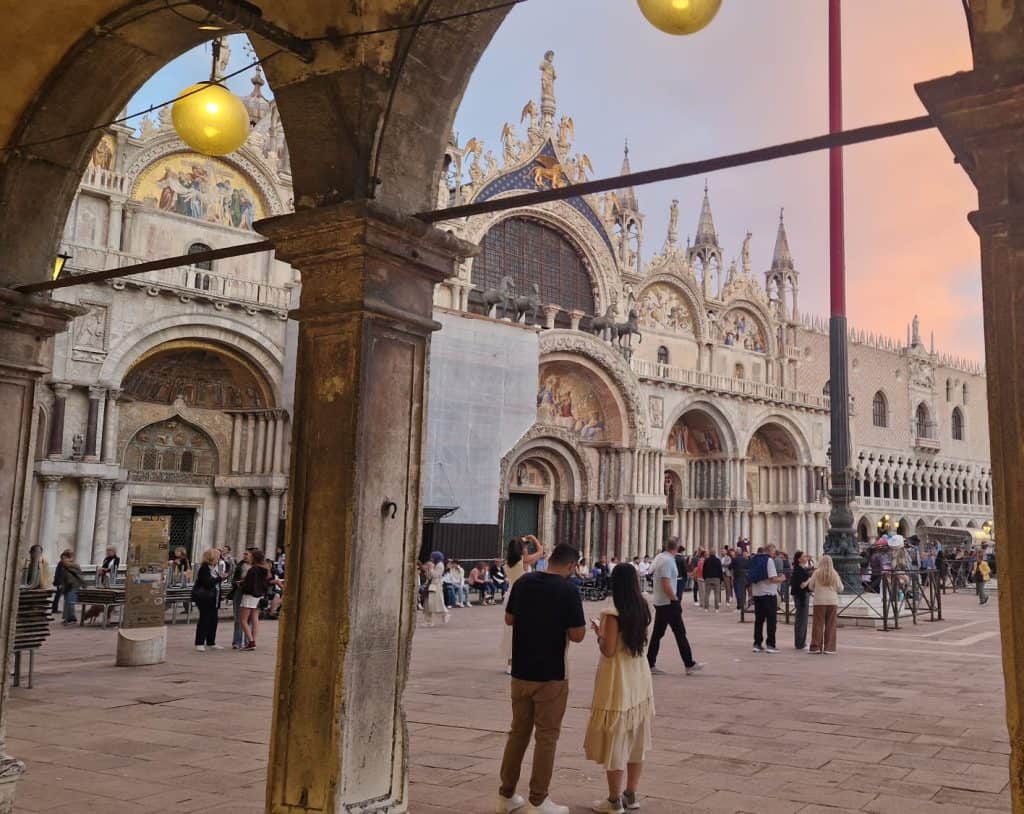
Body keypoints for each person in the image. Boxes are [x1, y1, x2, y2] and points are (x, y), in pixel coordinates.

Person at [497, 544, 587, 814]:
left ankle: (506, 794)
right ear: (571, 566)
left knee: (518, 733)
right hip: (551, 675)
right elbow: (577, 635)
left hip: (521, 672)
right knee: (546, 737)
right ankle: (538, 799)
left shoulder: (524, 582)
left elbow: (509, 619)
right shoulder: (568, 590)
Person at [584, 563, 654, 814]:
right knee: (636, 738)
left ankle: (613, 800)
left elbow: (609, 649)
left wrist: (597, 631)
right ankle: (631, 793)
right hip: (639, 675)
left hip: (618, 678)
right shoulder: (642, 606)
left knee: (617, 737)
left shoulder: (612, 612)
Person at [646, 538, 704, 677]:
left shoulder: (660, 557)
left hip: (660, 601)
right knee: (680, 632)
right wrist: (674, 598)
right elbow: (666, 582)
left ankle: (649, 662)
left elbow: (651, 571)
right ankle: (689, 664)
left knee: (658, 634)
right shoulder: (667, 561)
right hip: (668, 602)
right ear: (677, 547)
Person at [804, 554, 844, 653]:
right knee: (831, 625)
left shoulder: (816, 572)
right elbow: (840, 588)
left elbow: (810, 587)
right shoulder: (834, 573)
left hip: (819, 601)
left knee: (818, 625)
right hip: (832, 601)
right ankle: (829, 648)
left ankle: (816, 647)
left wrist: (817, 589)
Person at [750, 545, 786, 653]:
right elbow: (772, 578)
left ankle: (757, 643)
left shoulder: (754, 560)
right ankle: (770, 644)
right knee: (771, 621)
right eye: (774, 551)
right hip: (768, 594)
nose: (774, 554)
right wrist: (782, 578)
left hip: (757, 593)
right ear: (769, 551)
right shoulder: (769, 560)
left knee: (759, 621)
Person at [238, 549, 272, 650]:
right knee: (254, 618)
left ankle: (251, 642)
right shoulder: (265, 569)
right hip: (259, 595)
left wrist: (241, 584)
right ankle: (253, 640)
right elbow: (266, 583)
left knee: (243, 620)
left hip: (250, 595)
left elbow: (249, 585)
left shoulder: (253, 570)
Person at [192, 549, 223, 651]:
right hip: (204, 597)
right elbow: (207, 583)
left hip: (215, 597)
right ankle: (199, 642)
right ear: (212, 557)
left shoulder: (215, 568)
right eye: (218, 556)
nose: (219, 558)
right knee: (204, 619)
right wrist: (219, 578)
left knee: (213, 620)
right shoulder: (204, 568)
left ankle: (211, 642)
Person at [790, 550, 813, 651]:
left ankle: (801, 642)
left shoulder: (801, 568)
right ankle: (800, 643)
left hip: (802, 595)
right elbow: (802, 585)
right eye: (803, 556)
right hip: (801, 596)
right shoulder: (798, 570)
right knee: (801, 620)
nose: (806, 557)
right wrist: (810, 579)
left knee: (803, 620)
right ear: (799, 559)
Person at [229, 549, 252, 648]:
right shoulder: (240, 565)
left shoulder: (256, 567)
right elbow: (233, 579)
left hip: (251, 593)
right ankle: (237, 641)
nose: (244, 556)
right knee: (238, 617)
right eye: (244, 554)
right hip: (239, 591)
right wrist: (237, 582)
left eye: (246, 554)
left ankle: (248, 641)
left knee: (248, 619)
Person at [59, 550, 85, 625]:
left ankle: (72, 618)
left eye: (64, 558)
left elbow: (78, 575)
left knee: (70, 602)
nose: (62, 560)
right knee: (67, 602)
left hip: (74, 586)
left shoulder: (74, 565)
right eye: (62, 559)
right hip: (67, 586)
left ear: (69, 558)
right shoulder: (63, 566)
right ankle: (68, 618)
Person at [424, 551, 449, 626]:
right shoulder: (434, 564)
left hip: (436, 586)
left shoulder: (440, 565)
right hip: (430, 585)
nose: (431, 559)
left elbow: (436, 575)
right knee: (427, 603)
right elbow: (429, 577)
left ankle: (445, 614)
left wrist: (431, 568)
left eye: (432, 557)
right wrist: (427, 570)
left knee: (437, 602)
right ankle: (428, 621)